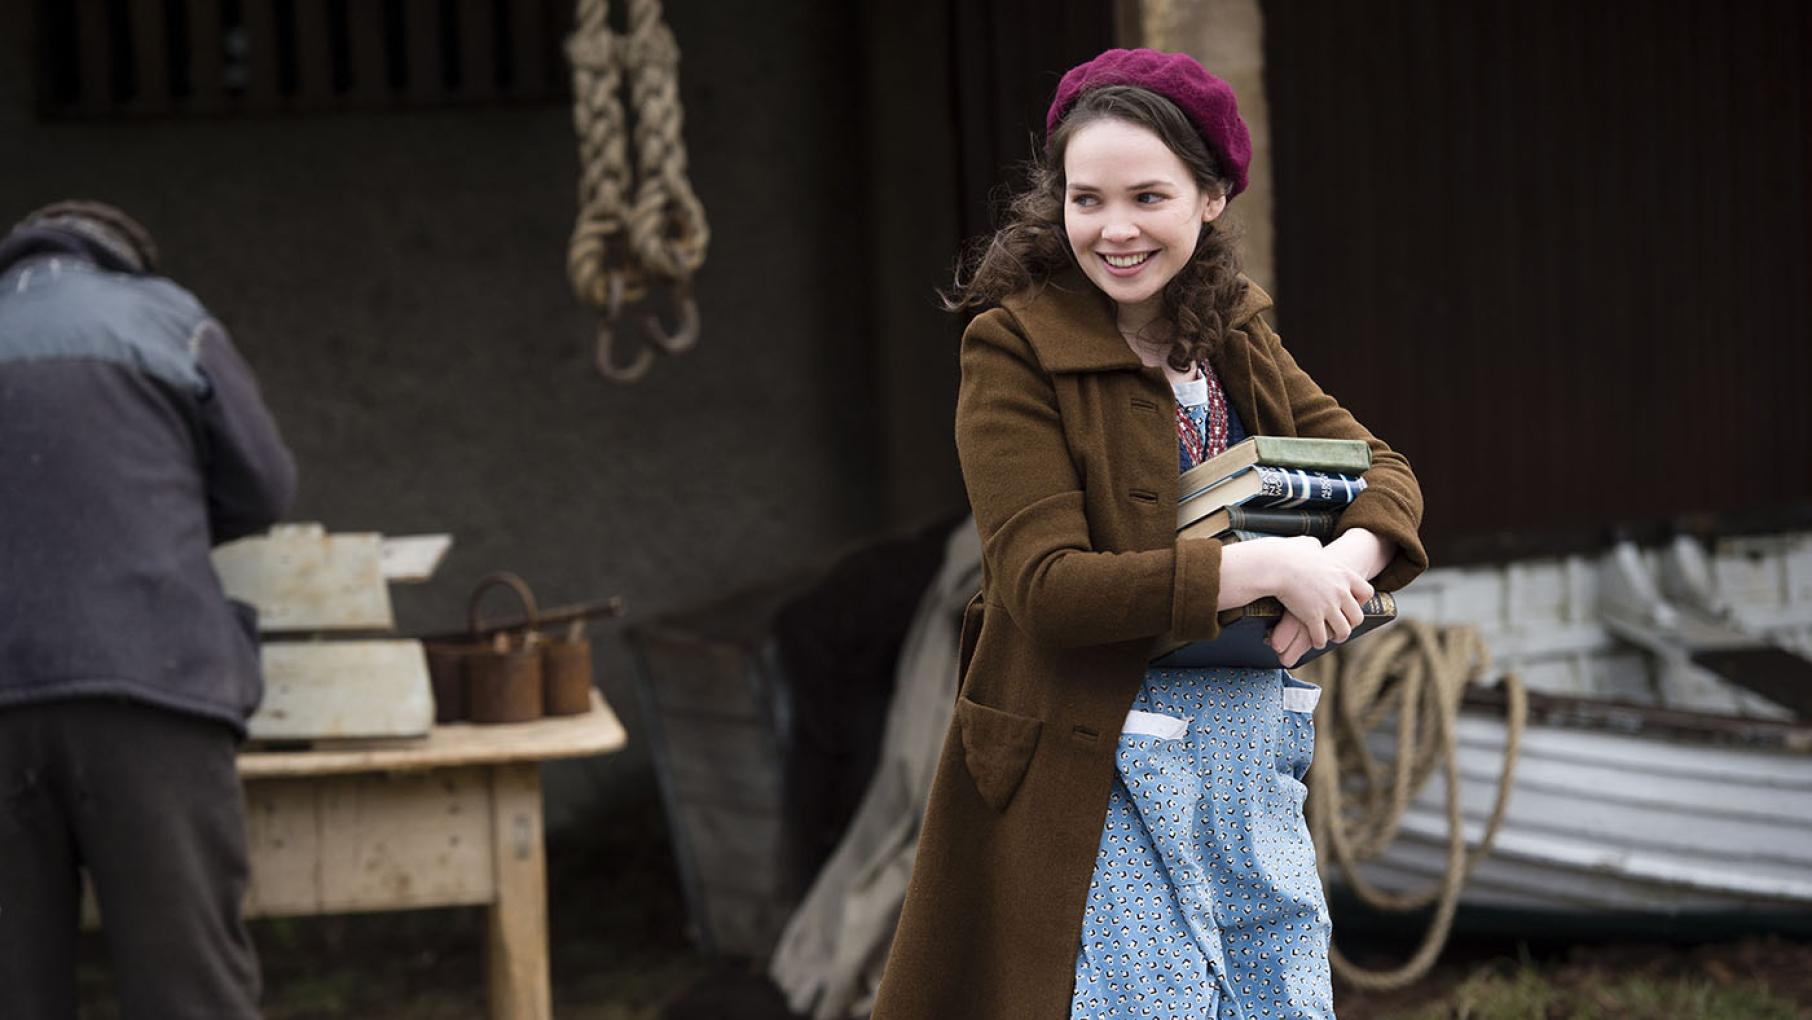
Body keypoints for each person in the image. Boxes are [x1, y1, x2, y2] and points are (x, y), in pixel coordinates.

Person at [871, 50, 1427, 1019]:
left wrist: (1337, 565)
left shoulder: (1230, 329)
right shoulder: (1012, 347)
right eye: (1086, 199)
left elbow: (1384, 471)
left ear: (1210, 198)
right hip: (1092, 747)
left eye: (1148, 196)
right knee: (1147, 1001)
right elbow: (1045, 588)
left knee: (1278, 995)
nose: (1114, 229)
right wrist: (1256, 565)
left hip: (1244, 738)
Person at [0, 200, 295, 1018]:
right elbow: (265, 487)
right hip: (151, 691)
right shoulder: (168, 320)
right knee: (187, 990)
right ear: (127, 261)